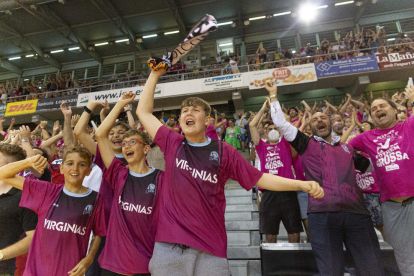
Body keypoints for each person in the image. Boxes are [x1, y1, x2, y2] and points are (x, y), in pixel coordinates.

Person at [137, 67, 323, 275]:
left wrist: (301, 184)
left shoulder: (224, 151)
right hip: (170, 246)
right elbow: (143, 112)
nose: (188, 113)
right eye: (184, 112)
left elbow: (259, 177)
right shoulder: (173, 142)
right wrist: (153, 75)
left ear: (208, 121)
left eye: (195, 110)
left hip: (211, 247)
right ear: (180, 121)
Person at [265, 79, 385, 276]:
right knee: (330, 271)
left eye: (323, 118)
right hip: (322, 216)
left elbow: (372, 166)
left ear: (331, 121)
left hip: (358, 216)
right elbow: (279, 122)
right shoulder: (306, 144)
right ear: (310, 127)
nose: (319, 120)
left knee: (373, 269)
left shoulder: (349, 148)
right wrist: (273, 94)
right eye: (314, 119)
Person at [0, 148, 106, 276]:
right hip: (36, 270)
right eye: (70, 163)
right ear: (61, 168)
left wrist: (88, 259)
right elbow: (3, 174)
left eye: (82, 164)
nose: (75, 168)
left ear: (89, 171)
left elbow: (98, 233)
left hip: (69, 270)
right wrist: (28, 162)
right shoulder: (46, 191)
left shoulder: (96, 199)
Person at [347, 86, 414, 276]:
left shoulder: (407, 126)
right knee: (403, 254)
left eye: (382, 105)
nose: (378, 110)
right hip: (391, 206)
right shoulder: (366, 137)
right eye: (374, 109)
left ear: (394, 110)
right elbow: (342, 150)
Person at [95, 92, 163, 276]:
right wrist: (119, 105)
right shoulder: (118, 173)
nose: (126, 146)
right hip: (113, 265)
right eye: (124, 144)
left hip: (146, 263)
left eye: (133, 142)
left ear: (146, 148)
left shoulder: (161, 178)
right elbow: (100, 134)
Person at [74, 100, 131, 276]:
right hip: (104, 225)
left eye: (121, 132)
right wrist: (89, 107)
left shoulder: (138, 160)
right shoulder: (105, 157)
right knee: (93, 271)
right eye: (111, 132)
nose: (115, 136)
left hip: (128, 226)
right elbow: (79, 132)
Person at [250, 100, 303, 243]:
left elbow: (287, 120)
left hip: (288, 191)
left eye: (276, 128)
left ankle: (295, 261)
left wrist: (274, 105)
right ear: (266, 133)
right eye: (270, 129)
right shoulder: (261, 147)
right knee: (270, 234)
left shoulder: (285, 144)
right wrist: (262, 108)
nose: (273, 130)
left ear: (280, 132)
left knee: (294, 233)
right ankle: (273, 263)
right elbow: (252, 125)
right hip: (269, 192)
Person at [0, 144, 38, 276]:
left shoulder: (24, 198)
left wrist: (1, 254)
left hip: (4, 270)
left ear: (11, 167)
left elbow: (33, 238)